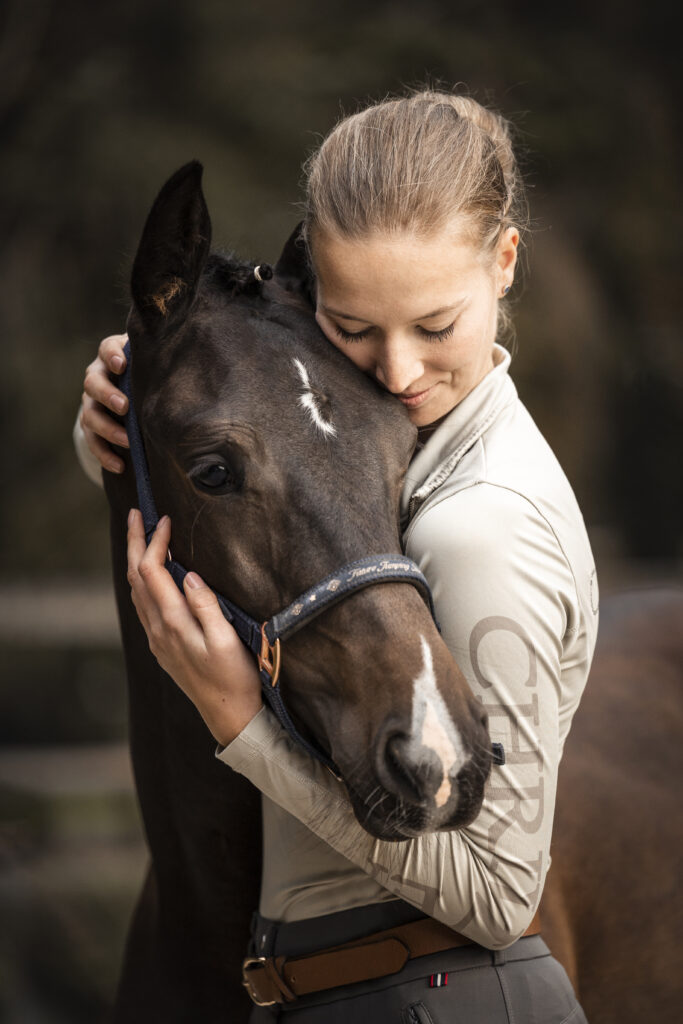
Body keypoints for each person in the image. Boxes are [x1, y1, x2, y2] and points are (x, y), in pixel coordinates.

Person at [74, 89, 598, 1022]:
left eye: (434, 326)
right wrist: (118, 411)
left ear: (505, 262)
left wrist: (245, 725)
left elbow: (499, 897)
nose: (396, 373)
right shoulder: (399, 434)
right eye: (354, 329)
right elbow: (273, 429)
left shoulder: (473, 526)